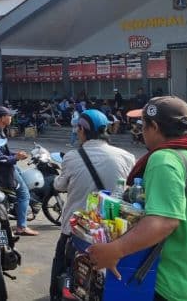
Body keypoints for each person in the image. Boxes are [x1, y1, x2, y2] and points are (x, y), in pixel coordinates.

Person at [88, 97, 187, 301]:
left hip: (170, 288)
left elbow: (163, 221)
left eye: (143, 126)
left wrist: (114, 249)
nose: (141, 132)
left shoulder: (164, 159)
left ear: (154, 127)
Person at [49, 109, 135, 301]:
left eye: (77, 128)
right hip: (111, 232)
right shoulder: (126, 156)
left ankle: (56, 294)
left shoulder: (72, 156)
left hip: (76, 230)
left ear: (82, 129)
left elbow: (59, 185)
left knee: (62, 266)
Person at [0, 106, 39, 236]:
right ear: (2, 118)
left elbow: (3, 153)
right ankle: (22, 227)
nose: (11, 118)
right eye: (9, 116)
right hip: (1, 171)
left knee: (22, 175)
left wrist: (16, 154)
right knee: (24, 194)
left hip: (6, 167)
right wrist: (15, 157)